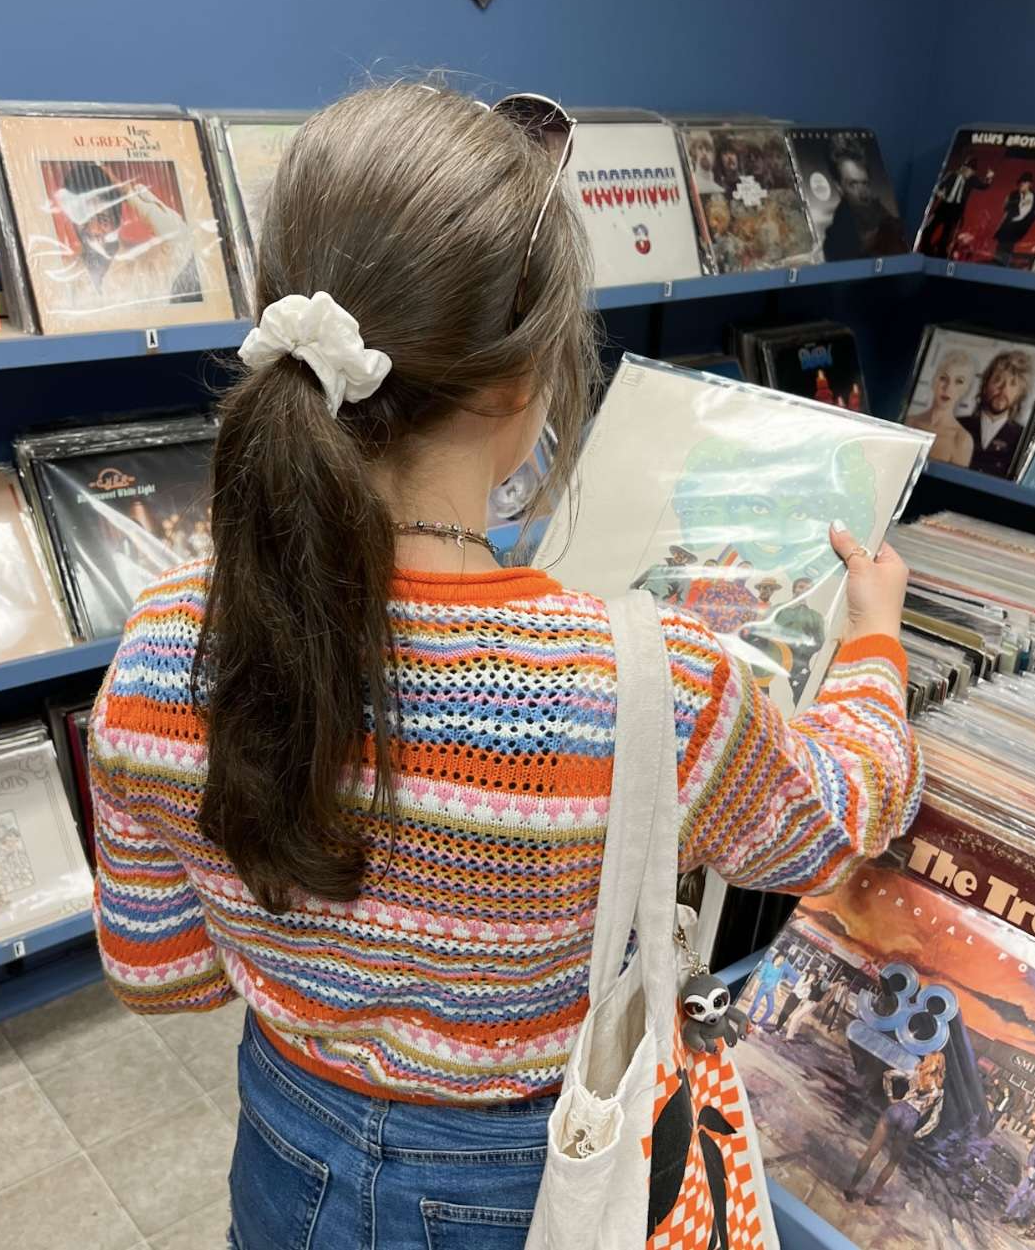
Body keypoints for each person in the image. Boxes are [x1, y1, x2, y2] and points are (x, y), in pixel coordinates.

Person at [87, 83, 921, 1246]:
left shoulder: (166, 639)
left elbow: (161, 974)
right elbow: (840, 814)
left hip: (285, 1141)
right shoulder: (651, 681)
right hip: (535, 1182)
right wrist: (875, 638)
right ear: (522, 382)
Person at [47, 162, 199, 316]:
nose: (92, 230)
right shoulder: (61, 272)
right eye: (83, 218)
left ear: (118, 218)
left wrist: (130, 195)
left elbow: (182, 238)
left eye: (103, 219)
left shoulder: (148, 263)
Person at [845, 1052, 946, 1206]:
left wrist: (890, 1096)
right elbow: (934, 1120)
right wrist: (918, 1134)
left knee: (871, 1151)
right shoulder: (939, 1092)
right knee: (892, 1162)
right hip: (911, 1118)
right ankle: (871, 1196)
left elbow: (888, 1075)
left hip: (897, 1109)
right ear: (941, 1068)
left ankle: (851, 1188)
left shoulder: (915, 1074)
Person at [821, 136, 904, 260]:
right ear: (839, 187)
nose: (863, 193)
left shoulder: (881, 214)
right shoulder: (835, 239)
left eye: (864, 183)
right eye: (853, 184)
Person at [958, 348, 1033, 478]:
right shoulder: (957, 425)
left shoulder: (1024, 439)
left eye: (1013, 384)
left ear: (1020, 394)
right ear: (986, 383)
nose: (1003, 388)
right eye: (998, 380)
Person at [906, 348, 977, 467]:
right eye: (943, 378)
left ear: (966, 389)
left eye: (959, 381)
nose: (948, 388)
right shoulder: (909, 422)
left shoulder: (962, 440)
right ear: (934, 381)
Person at [921, 155, 993, 259]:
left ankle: (940, 255)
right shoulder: (951, 175)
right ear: (962, 168)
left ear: (973, 172)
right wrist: (939, 192)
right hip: (944, 206)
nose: (967, 172)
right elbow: (939, 187)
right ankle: (926, 250)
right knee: (928, 229)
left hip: (956, 210)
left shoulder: (972, 180)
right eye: (966, 169)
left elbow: (984, 186)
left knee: (946, 235)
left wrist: (989, 177)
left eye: (970, 171)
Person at [994, 169, 1035, 266]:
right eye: (1021, 183)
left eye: (1024, 183)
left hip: (1019, 227)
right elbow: (1007, 208)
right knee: (1002, 246)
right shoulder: (1014, 195)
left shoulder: (1033, 196)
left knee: (1007, 247)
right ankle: (999, 262)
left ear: (1029, 184)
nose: (1022, 185)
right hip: (1008, 226)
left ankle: (1003, 262)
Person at [747, 953, 792, 1030]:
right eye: (780, 959)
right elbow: (759, 979)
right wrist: (753, 991)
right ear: (776, 958)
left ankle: (759, 1024)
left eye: (783, 960)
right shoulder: (767, 965)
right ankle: (747, 1019)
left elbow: (777, 983)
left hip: (770, 991)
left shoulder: (780, 971)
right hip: (763, 987)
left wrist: (779, 993)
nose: (781, 961)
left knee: (771, 1010)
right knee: (755, 1005)